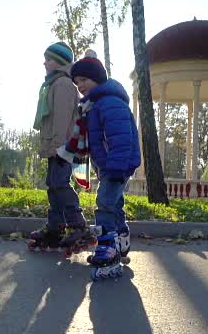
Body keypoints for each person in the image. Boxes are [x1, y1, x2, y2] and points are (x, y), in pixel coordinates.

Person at [68, 50, 141, 279]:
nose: (80, 85)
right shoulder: (95, 104)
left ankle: (108, 249)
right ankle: (121, 242)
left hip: (117, 165)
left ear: (97, 79)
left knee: (105, 204)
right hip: (109, 165)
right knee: (115, 204)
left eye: (84, 80)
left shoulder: (109, 103)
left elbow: (121, 138)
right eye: (77, 81)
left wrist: (116, 167)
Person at [28, 42, 88, 250]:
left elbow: (62, 120)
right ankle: (55, 227)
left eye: (49, 59)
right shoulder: (54, 84)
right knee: (53, 185)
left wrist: (56, 146)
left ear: (60, 62)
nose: (44, 63)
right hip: (57, 145)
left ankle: (78, 224)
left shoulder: (62, 84)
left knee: (60, 184)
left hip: (62, 146)